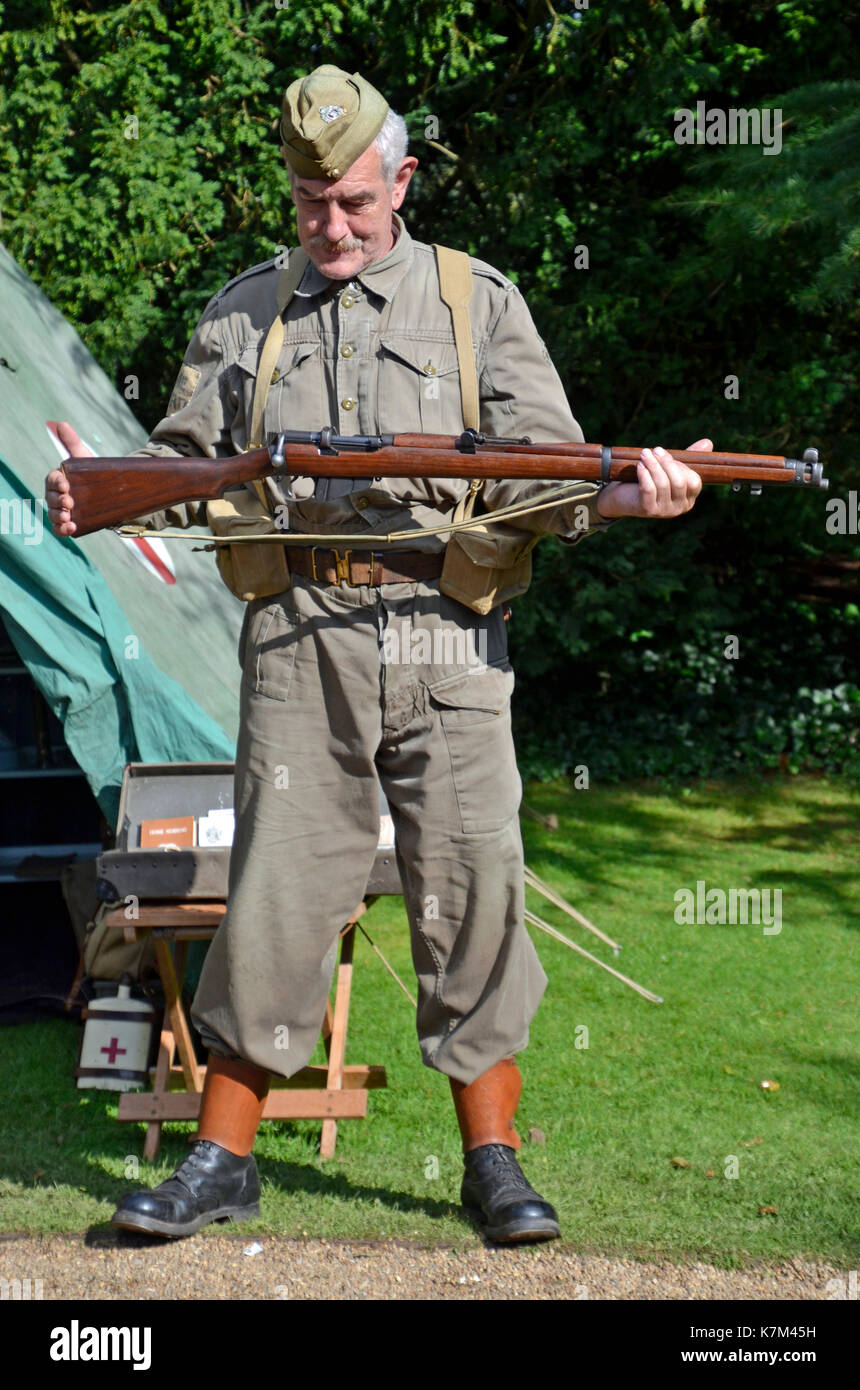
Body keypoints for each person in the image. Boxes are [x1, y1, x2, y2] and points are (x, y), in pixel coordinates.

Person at [46, 64, 708, 1245]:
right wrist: (115, 492)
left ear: (400, 179)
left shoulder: (474, 303)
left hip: (449, 637)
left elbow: (546, 470)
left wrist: (624, 496)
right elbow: (174, 466)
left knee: (474, 890)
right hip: (298, 641)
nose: (333, 226)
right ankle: (220, 1159)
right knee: (276, 897)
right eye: (310, 204)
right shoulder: (242, 310)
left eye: (354, 201)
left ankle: (491, 1163)